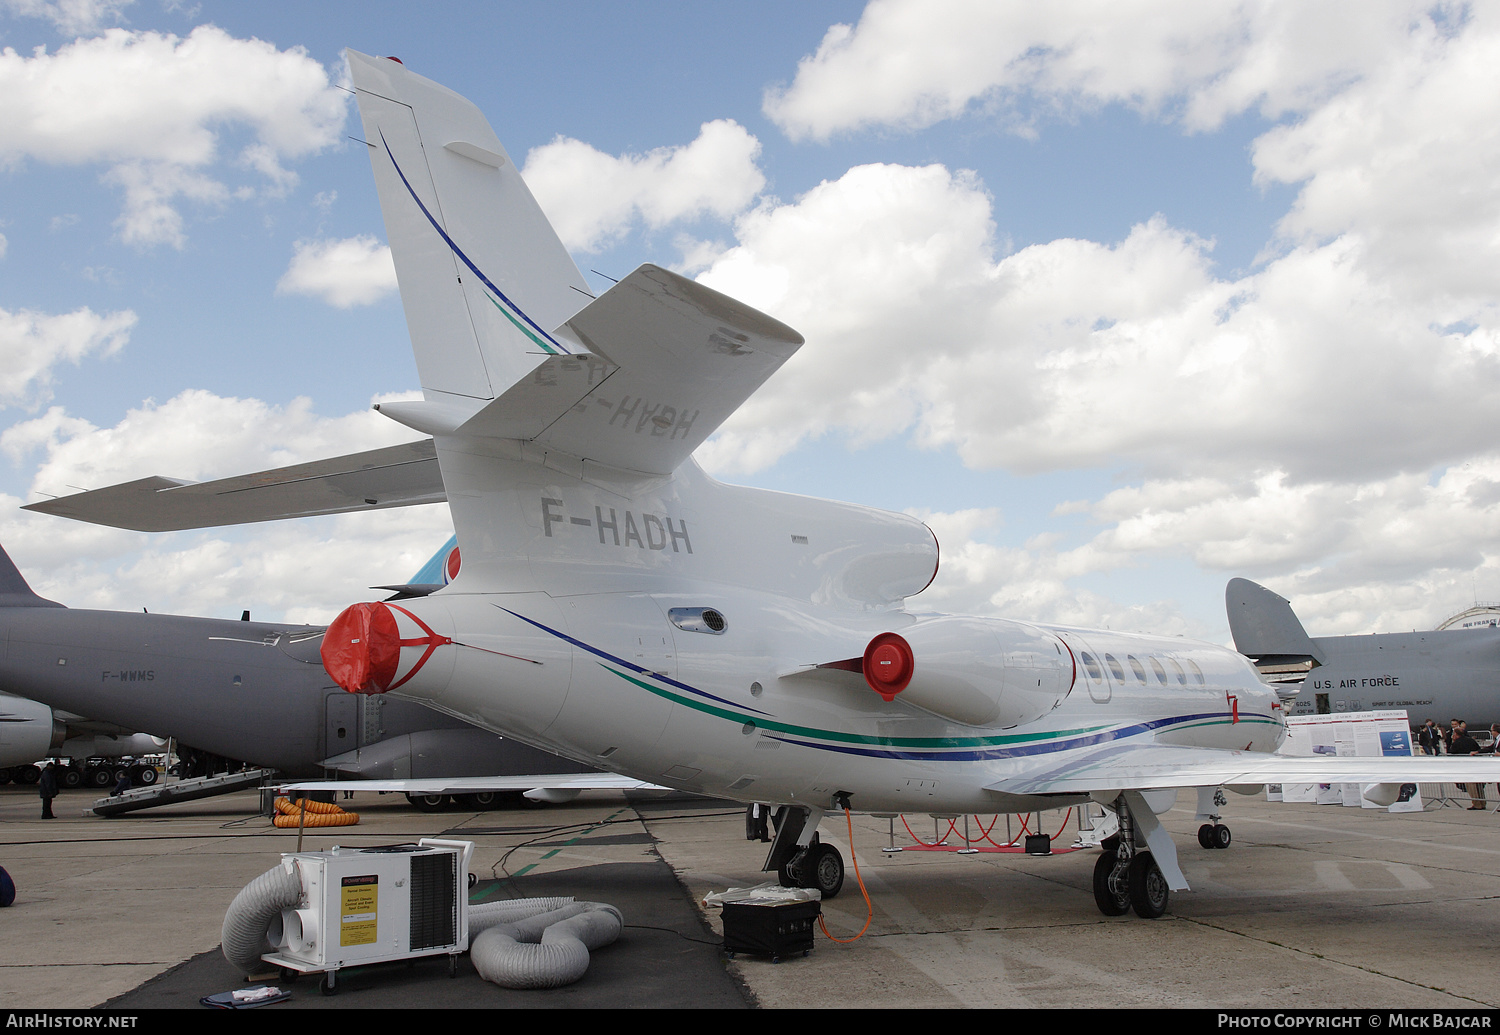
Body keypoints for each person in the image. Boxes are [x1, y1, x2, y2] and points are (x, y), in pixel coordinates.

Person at [1450, 723, 1486, 809]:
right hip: (1475, 765)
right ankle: (1483, 803)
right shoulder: (1471, 740)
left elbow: (1452, 752)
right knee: (1479, 786)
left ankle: (1476, 804)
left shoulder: (1457, 743)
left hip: (1466, 767)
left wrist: (1453, 741)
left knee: (1471, 786)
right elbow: (1478, 749)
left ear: (1456, 734)